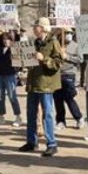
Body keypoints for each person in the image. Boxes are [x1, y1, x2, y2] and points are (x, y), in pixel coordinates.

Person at [18, 18, 63, 157]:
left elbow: (58, 62)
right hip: (33, 83)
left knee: (47, 114)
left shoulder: (53, 42)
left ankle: (51, 143)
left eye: (36, 26)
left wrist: (43, 58)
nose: (34, 28)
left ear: (43, 28)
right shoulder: (33, 43)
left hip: (46, 84)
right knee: (31, 113)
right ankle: (32, 141)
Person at [54, 29, 85, 130]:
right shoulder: (57, 44)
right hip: (57, 74)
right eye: (66, 33)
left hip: (69, 74)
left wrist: (67, 57)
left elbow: (80, 59)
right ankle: (60, 121)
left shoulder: (76, 46)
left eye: (70, 33)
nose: (68, 35)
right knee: (58, 99)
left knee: (69, 97)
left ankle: (79, 118)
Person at [0, 32, 22, 127]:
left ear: (11, 40)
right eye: (4, 39)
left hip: (10, 75)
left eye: (8, 39)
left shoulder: (14, 48)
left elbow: (17, 40)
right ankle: (1, 117)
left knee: (12, 96)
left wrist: (17, 31)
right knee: (0, 97)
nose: (6, 41)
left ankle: (18, 117)